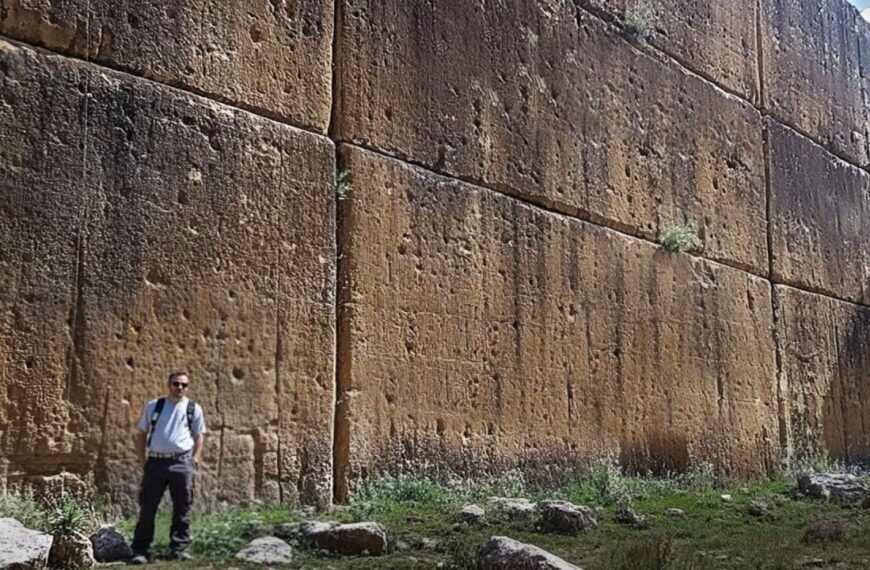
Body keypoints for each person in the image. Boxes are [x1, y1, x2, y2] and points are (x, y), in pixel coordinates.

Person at [131, 371, 206, 563]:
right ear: (169, 384)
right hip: (155, 463)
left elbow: (199, 435)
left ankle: (178, 549)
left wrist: (195, 458)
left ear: (187, 387)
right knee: (148, 507)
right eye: (176, 383)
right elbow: (141, 433)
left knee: (182, 507)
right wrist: (143, 461)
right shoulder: (154, 406)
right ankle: (140, 550)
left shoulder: (193, 408)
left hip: (181, 462)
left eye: (184, 385)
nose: (179, 387)